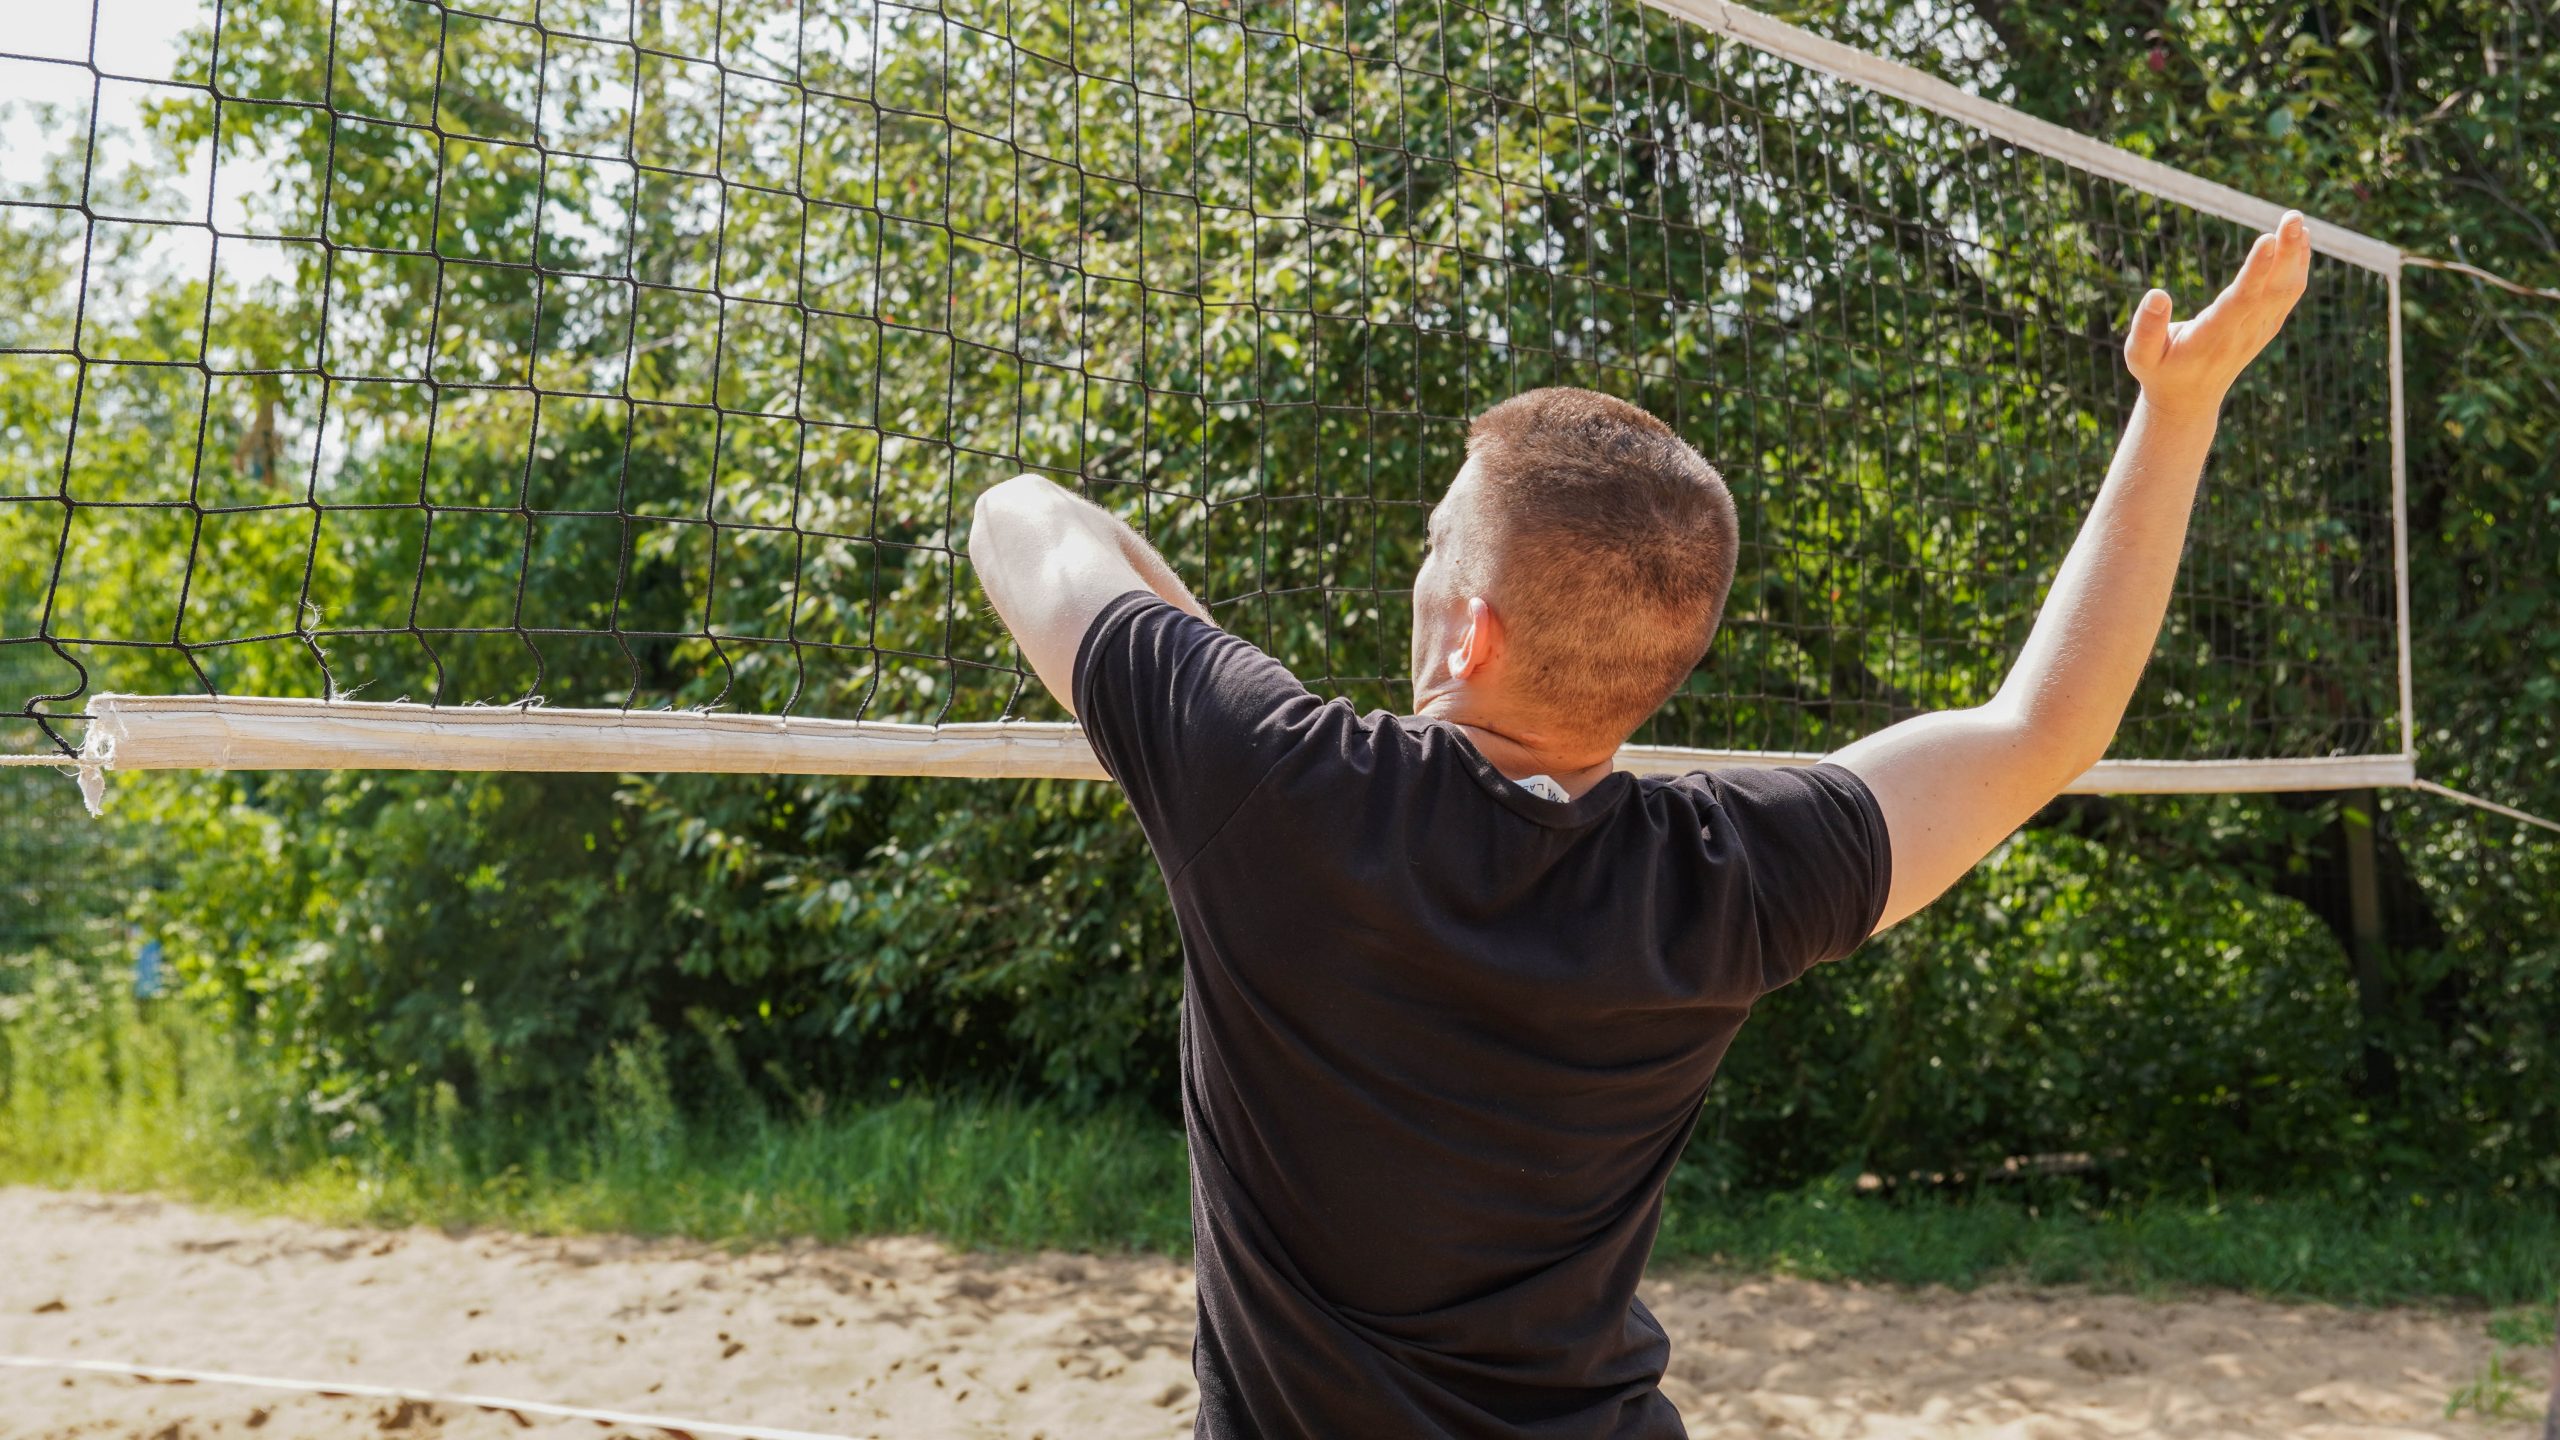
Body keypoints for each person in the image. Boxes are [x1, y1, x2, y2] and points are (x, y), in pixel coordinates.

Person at [969, 214, 2314, 1438]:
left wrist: (1201, 705)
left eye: (1435, 546)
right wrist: (2179, 409)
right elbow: (2047, 729)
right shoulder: (1725, 876)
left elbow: (1021, 518)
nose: (1420, 567)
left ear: (1468, 629)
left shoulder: (1275, 787)